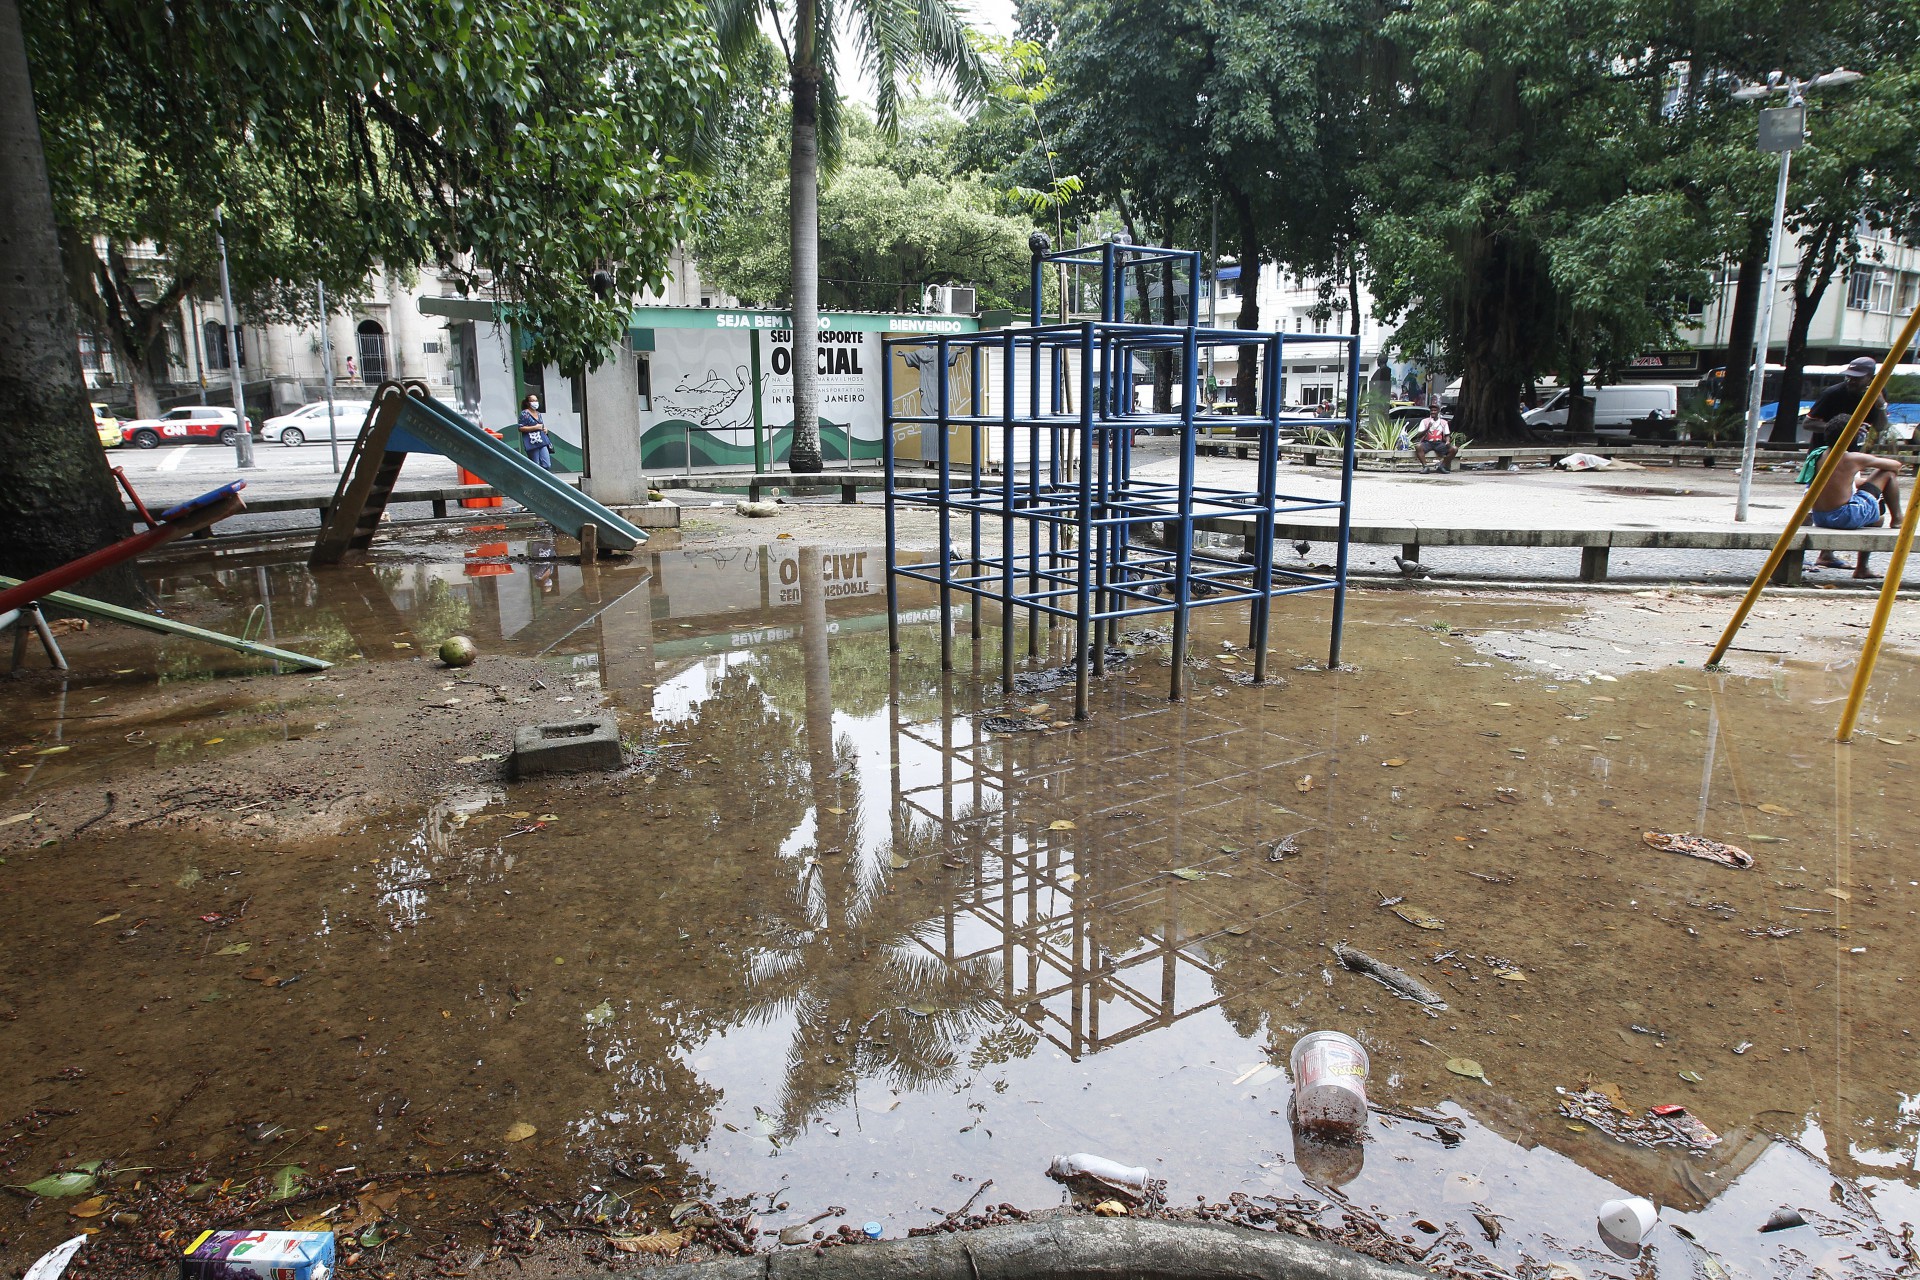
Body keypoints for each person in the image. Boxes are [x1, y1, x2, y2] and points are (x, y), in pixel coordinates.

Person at [1808, 446, 1905, 580]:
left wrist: (1866, 483)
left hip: (1820, 516)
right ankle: (1898, 519)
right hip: (1844, 516)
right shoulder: (1851, 458)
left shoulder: (1819, 454)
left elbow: (1845, 480)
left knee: (1877, 520)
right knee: (1887, 473)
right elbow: (1896, 465)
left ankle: (1827, 554)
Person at [1804, 355, 1889, 448]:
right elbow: (1807, 424)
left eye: (1857, 378)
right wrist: (1844, 429)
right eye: (1848, 377)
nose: (1850, 381)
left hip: (1853, 450)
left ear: (1871, 378)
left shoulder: (1878, 393)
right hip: (1825, 449)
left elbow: (1880, 427)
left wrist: (1881, 406)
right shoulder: (1832, 393)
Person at [1412, 405, 1457, 472]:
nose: (1433, 412)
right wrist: (1427, 428)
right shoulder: (1424, 421)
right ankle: (1425, 467)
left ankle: (1442, 466)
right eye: (1431, 410)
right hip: (1427, 443)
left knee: (1454, 449)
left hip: (1439, 443)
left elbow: (1447, 434)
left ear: (1438, 411)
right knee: (1418, 446)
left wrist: (1447, 441)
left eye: (1435, 410)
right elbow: (1419, 435)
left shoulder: (1443, 422)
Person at [517, 393, 552, 470]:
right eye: (532, 401)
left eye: (536, 400)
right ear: (528, 403)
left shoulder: (538, 414)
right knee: (535, 464)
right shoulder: (525, 413)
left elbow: (541, 425)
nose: (535, 402)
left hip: (541, 440)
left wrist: (545, 429)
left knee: (547, 464)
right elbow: (520, 427)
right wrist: (535, 427)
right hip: (532, 442)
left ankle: (542, 476)